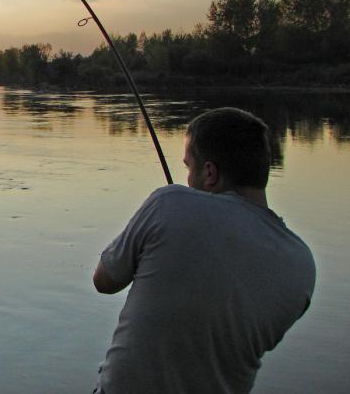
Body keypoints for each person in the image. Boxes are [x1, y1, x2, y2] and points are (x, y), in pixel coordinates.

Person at [92, 107, 316, 394]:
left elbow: (104, 280)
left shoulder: (170, 203)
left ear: (210, 172)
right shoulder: (302, 264)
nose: (186, 178)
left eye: (188, 167)